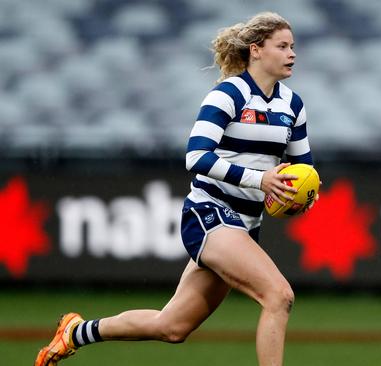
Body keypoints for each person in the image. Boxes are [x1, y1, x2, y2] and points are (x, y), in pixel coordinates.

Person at [35, 11, 314, 366]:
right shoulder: (227, 94)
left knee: (172, 326)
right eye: (283, 46)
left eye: (293, 46)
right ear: (256, 50)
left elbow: (304, 169)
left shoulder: (293, 104)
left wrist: (300, 197)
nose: (292, 53)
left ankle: (76, 332)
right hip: (209, 214)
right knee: (279, 296)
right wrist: (260, 179)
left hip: (245, 225)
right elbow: (196, 156)